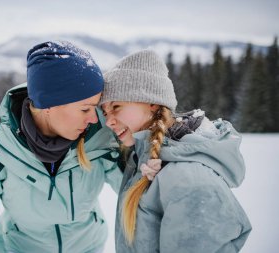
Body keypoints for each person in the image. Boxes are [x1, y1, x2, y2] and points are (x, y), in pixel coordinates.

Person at [0, 41, 125, 253]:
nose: (95, 119)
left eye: (96, 107)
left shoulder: (101, 138)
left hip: (89, 247)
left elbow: (135, 193)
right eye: (85, 109)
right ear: (49, 105)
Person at [100, 49, 252, 253]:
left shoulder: (188, 178)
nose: (108, 121)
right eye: (104, 111)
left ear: (152, 104)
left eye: (116, 106)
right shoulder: (143, 160)